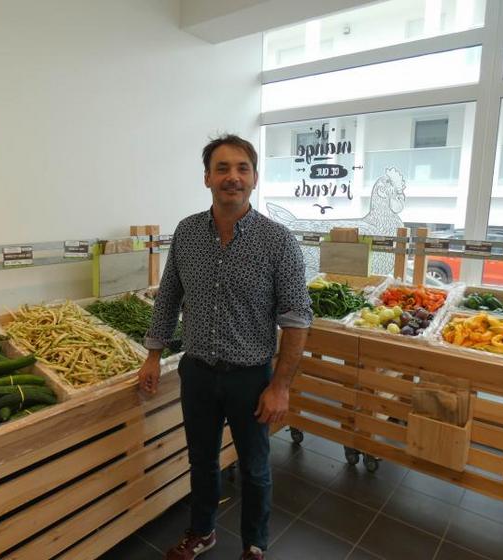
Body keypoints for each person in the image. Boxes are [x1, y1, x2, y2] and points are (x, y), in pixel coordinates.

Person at [138, 134, 312, 560]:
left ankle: (254, 544)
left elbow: (296, 319)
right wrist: (154, 354)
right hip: (195, 371)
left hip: (251, 378)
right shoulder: (187, 232)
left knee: (254, 468)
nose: (232, 177)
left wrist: (281, 387)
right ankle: (202, 532)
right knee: (201, 460)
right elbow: (168, 296)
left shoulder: (278, 241)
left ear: (254, 178)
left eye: (242, 168)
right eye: (222, 168)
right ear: (206, 178)